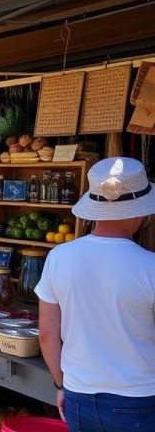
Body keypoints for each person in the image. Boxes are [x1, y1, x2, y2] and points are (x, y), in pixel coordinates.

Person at [35, 157, 155, 432]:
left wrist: (60, 384)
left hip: (79, 395)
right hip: (139, 400)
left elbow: (47, 335)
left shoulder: (58, 257)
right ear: (139, 213)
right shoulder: (150, 267)